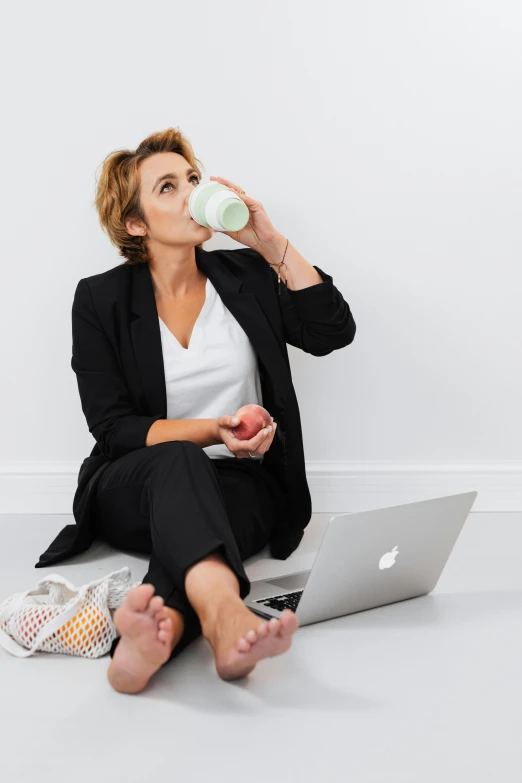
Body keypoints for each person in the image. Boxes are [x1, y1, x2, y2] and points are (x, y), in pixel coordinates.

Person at [36, 127, 356, 693]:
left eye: (192, 179)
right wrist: (215, 429)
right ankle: (227, 615)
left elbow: (332, 332)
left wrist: (269, 241)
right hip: (133, 483)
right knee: (181, 459)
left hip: (239, 484)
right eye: (167, 187)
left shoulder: (248, 276)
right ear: (136, 223)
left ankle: (152, 640)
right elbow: (114, 430)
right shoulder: (99, 299)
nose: (190, 194)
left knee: (210, 509)